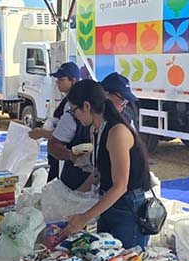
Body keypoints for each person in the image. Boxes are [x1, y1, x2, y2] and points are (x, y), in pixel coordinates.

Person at [59, 79, 152, 248]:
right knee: (104, 256)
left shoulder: (117, 132)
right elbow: (98, 172)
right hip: (108, 203)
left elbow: (120, 186)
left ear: (86, 106)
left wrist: (84, 218)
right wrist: (72, 199)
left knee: (125, 259)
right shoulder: (96, 129)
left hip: (127, 206)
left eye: (74, 110)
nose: (75, 116)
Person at [30, 62, 90, 189]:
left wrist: (42, 133)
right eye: (57, 79)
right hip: (65, 158)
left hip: (74, 165)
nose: (58, 83)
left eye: (62, 79)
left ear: (73, 80)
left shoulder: (75, 106)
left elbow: (66, 133)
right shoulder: (67, 102)